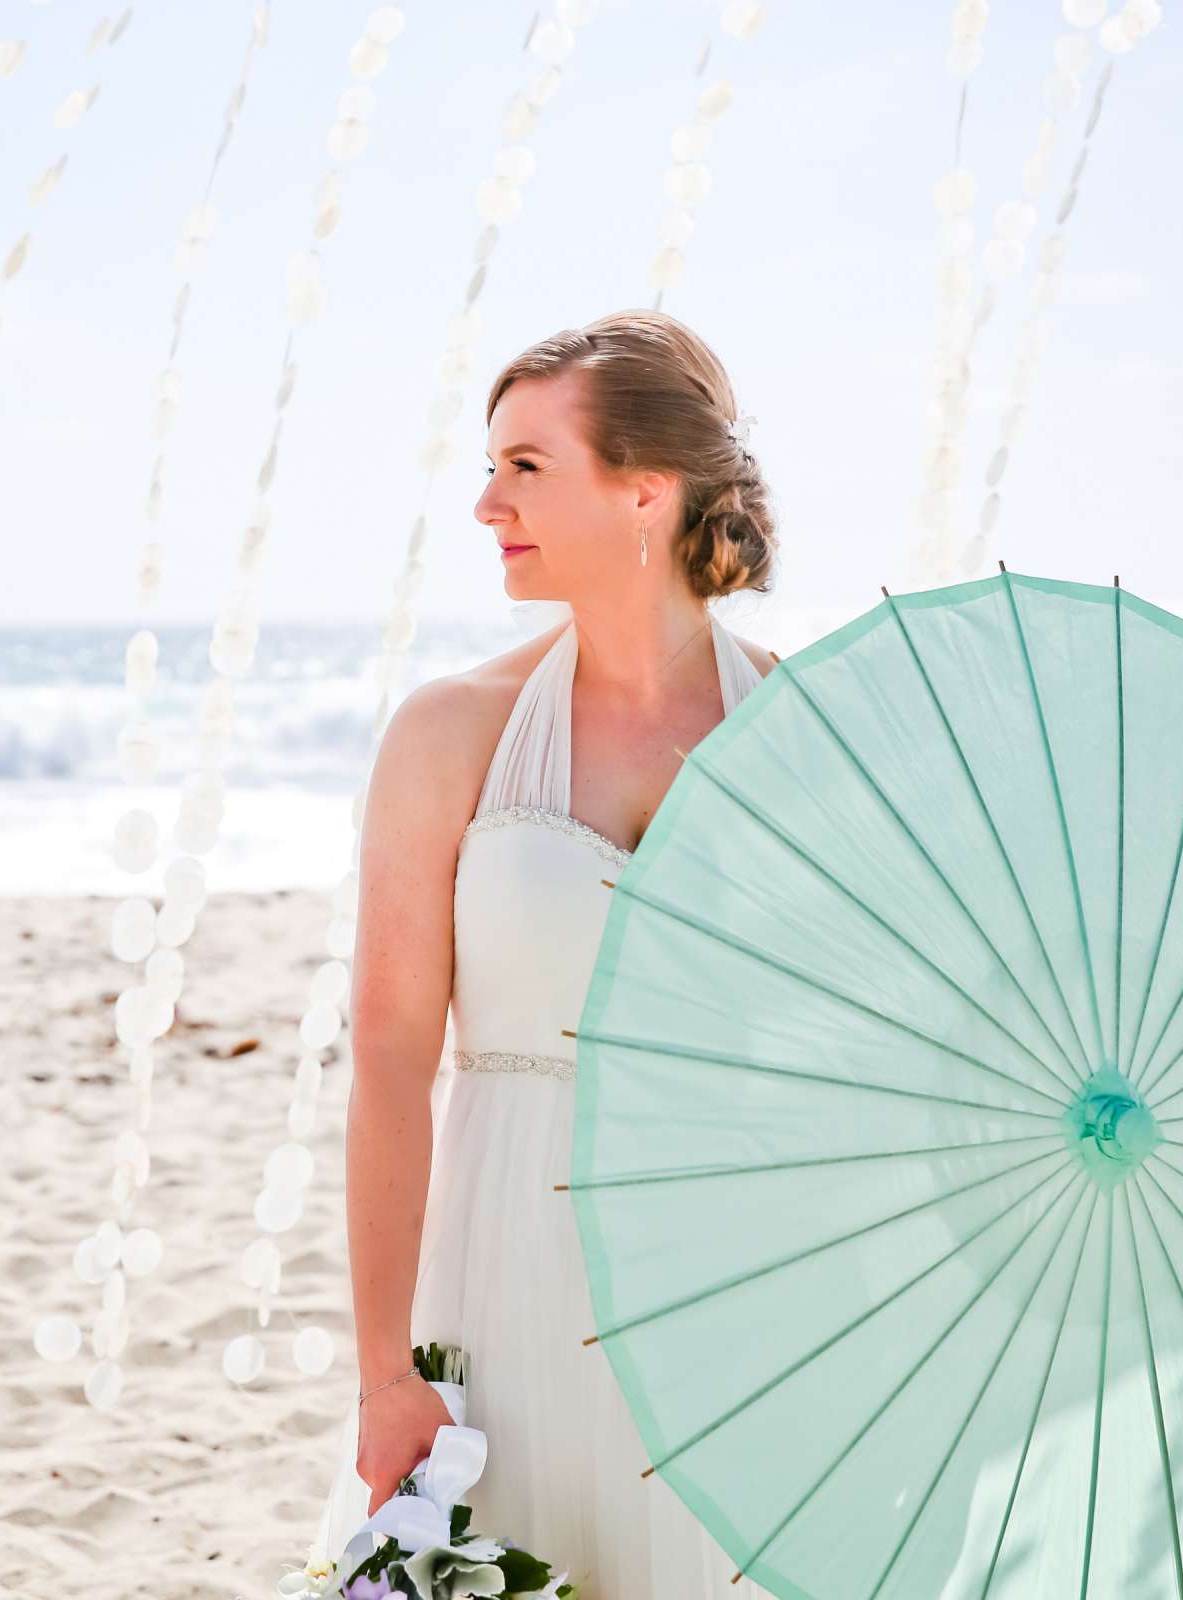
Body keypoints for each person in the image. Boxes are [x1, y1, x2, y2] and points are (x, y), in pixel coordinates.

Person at [314, 310, 783, 1595]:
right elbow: (394, 1066)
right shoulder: (449, 732)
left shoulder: (805, 732)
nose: (485, 503)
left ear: (645, 488)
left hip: (737, 1272)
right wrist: (381, 1371)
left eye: (526, 466)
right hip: (509, 1257)